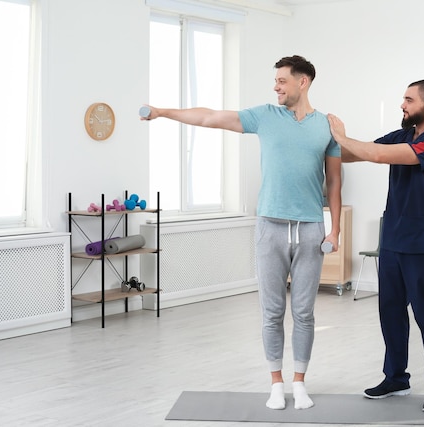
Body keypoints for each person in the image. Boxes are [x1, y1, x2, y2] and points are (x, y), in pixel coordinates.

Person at [142, 55, 342, 410]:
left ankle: (299, 383)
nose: (276, 86)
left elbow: (335, 182)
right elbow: (210, 117)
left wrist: (335, 230)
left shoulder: (326, 126)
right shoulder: (265, 115)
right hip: (270, 226)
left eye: (282, 80)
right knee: (271, 311)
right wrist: (163, 112)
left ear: (303, 82)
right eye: (276, 80)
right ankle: (276, 384)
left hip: (311, 228)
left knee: (305, 313)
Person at [327, 79, 424, 413]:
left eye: (408, 99)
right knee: (390, 314)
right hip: (393, 242)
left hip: (423, 244)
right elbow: (359, 152)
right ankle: (396, 377)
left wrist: (341, 134)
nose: (402, 104)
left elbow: (380, 155)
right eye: (403, 98)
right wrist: (324, 146)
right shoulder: (405, 135)